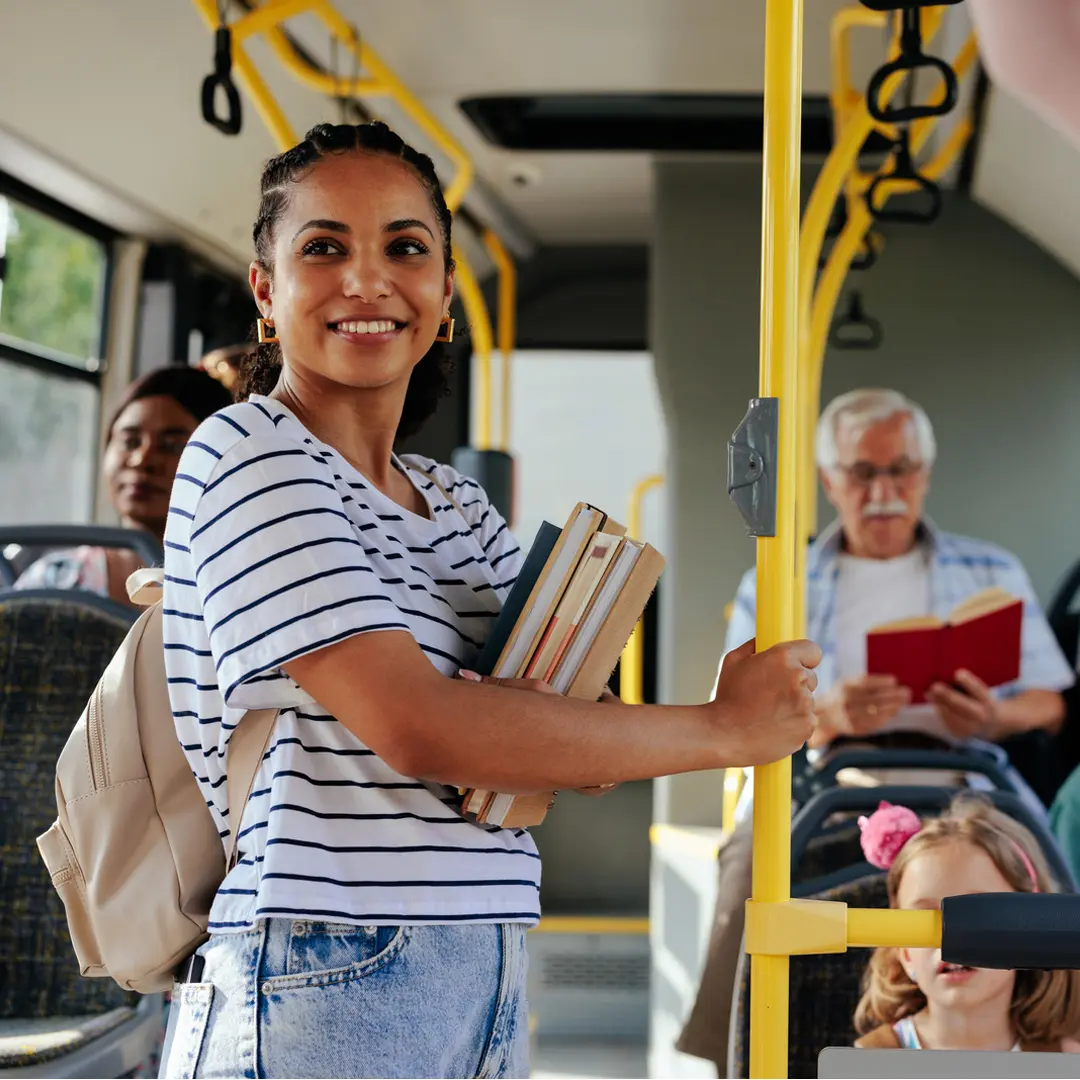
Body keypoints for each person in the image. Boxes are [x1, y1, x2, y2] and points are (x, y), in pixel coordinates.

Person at [156, 120, 821, 1080]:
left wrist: (580, 726)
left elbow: (559, 743)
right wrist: (720, 731)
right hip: (318, 962)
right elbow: (421, 726)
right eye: (324, 247)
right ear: (266, 291)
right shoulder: (246, 454)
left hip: (487, 957)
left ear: (444, 291)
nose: (368, 279)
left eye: (406, 248)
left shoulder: (456, 502)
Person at [676, 386, 1075, 1075]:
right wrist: (830, 714)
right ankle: (733, 1057)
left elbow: (1051, 703)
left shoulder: (991, 569)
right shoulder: (778, 580)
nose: (884, 490)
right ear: (830, 480)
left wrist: (993, 715)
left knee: (1049, 857)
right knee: (747, 864)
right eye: (864, 472)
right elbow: (736, 711)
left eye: (901, 470)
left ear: (925, 473)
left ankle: (1062, 1035)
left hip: (968, 771)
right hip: (825, 769)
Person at [854, 796, 1080, 1053]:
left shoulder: (1065, 1062)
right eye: (925, 918)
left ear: (1030, 931)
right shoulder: (870, 1062)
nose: (952, 939)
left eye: (978, 915)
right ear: (903, 951)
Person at [14, 365, 233, 606]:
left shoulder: (232, 589)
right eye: (130, 441)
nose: (142, 460)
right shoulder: (58, 581)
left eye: (171, 446)